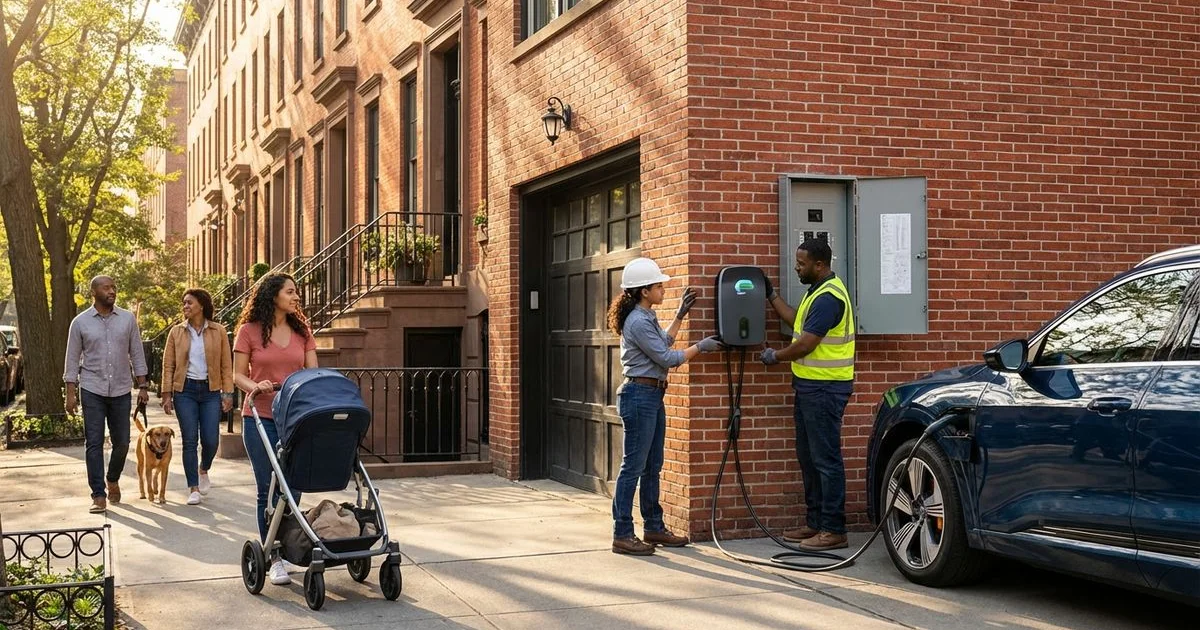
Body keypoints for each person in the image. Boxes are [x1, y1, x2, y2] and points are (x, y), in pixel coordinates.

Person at [607, 257, 724, 556]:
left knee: (652, 466)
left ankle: (653, 526)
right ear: (644, 291)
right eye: (659, 286)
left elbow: (664, 341)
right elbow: (667, 358)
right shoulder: (636, 321)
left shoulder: (646, 317)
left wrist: (680, 315)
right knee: (632, 467)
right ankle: (622, 533)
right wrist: (701, 347)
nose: (663, 289)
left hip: (651, 396)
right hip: (639, 396)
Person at [759, 238, 856, 551]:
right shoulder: (816, 292)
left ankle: (834, 528)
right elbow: (796, 322)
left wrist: (775, 356)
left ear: (819, 264)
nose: (797, 268)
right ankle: (815, 523)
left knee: (825, 459)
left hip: (826, 388)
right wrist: (771, 294)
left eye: (801, 264)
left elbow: (806, 344)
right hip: (809, 386)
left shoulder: (829, 297)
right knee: (808, 457)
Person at [232, 273, 317, 585]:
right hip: (260, 418)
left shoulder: (302, 330)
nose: (296, 297)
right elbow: (237, 375)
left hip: (294, 419)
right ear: (273, 296)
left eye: (296, 292)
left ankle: (291, 547)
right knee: (268, 490)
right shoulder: (249, 331)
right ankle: (275, 556)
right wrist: (257, 385)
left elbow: (313, 372)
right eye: (290, 292)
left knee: (292, 490)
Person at [64, 275, 150, 514]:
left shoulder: (127, 319)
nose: (112, 291)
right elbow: (72, 359)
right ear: (94, 292)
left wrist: (143, 385)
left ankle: (112, 478)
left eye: (114, 287)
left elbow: (137, 353)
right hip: (91, 388)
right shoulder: (80, 323)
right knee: (93, 442)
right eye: (106, 287)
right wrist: (70, 392)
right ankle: (98, 494)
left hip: (121, 388)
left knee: (122, 442)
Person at [160, 288, 235, 506]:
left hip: (211, 390)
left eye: (189, 303)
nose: (185, 306)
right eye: (183, 303)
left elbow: (226, 364)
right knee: (190, 440)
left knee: (211, 439)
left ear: (201, 305)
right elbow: (168, 365)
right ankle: (192, 487)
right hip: (185, 391)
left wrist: (227, 393)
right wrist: (167, 394)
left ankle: (204, 469)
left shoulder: (218, 331)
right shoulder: (176, 332)